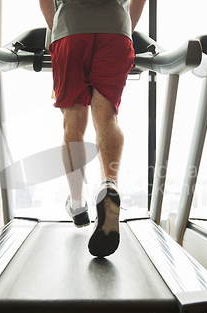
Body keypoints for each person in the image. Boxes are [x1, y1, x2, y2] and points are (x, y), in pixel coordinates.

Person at [39, 0, 146, 257]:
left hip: (70, 29)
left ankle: (77, 205)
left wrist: (59, 29)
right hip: (115, 30)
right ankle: (109, 184)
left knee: (73, 123)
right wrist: (125, 28)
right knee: (107, 117)